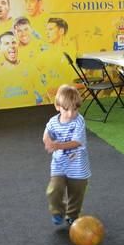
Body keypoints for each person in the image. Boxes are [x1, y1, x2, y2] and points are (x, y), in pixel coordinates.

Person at [43, 84, 91, 226]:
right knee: (54, 189)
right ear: (58, 106)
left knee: (76, 193)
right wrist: (47, 141)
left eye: (75, 109)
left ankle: (72, 214)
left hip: (77, 166)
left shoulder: (79, 121)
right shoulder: (53, 122)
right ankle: (58, 211)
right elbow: (46, 134)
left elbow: (76, 142)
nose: (71, 114)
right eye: (66, 109)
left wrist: (57, 145)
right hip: (59, 164)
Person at [0, 31, 45, 109]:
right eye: (6, 44)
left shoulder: (30, 68)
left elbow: (43, 96)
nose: (12, 46)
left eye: (13, 42)